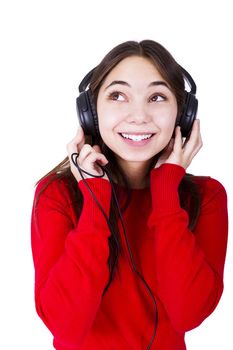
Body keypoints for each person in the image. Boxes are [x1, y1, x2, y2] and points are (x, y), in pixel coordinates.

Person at [31, 40, 228, 350]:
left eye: (157, 97)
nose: (139, 115)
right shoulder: (57, 194)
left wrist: (165, 192)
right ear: (90, 112)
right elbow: (65, 327)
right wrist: (95, 198)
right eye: (118, 96)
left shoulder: (206, 197)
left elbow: (188, 314)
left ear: (183, 115)